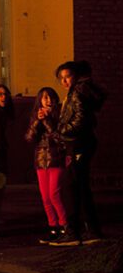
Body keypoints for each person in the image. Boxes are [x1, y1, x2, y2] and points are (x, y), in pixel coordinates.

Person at [50, 61, 103, 246]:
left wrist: (62, 130)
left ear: (76, 76)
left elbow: (80, 119)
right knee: (77, 187)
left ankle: (80, 231)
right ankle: (87, 230)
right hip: (80, 144)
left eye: (67, 77)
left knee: (73, 187)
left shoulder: (78, 92)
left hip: (79, 144)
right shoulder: (77, 92)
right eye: (61, 78)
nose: (64, 81)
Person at [25, 86, 67, 244]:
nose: (48, 100)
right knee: (45, 197)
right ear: (39, 100)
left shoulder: (60, 113)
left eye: (50, 97)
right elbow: (29, 138)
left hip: (56, 158)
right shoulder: (36, 115)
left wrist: (46, 121)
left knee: (54, 194)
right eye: (44, 98)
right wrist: (36, 121)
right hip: (41, 160)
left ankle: (65, 226)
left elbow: (59, 138)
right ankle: (53, 227)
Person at [0, 84, 14, 231]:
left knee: (1, 184)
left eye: (5, 94)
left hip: (2, 153)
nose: (3, 97)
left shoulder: (8, 113)